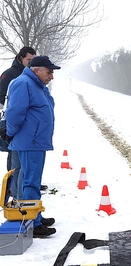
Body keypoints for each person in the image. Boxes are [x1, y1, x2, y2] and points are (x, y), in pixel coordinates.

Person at [6, 55, 61, 237]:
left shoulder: (37, 85)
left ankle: (35, 214)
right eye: (49, 72)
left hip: (35, 141)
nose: (51, 76)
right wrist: (10, 133)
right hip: (30, 141)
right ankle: (32, 223)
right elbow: (14, 113)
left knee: (32, 181)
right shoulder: (23, 83)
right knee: (30, 182)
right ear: (36, 70)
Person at [0, 47, 37, 200]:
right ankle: (13, 190)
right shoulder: (9, 74)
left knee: (23, 160)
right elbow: (1, 97)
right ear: (21, 58)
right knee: (13, 156)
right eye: (29, 60)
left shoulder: (31, 74)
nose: (31, 63)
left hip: (25, 125)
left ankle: (23, 186)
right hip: (11, 122)